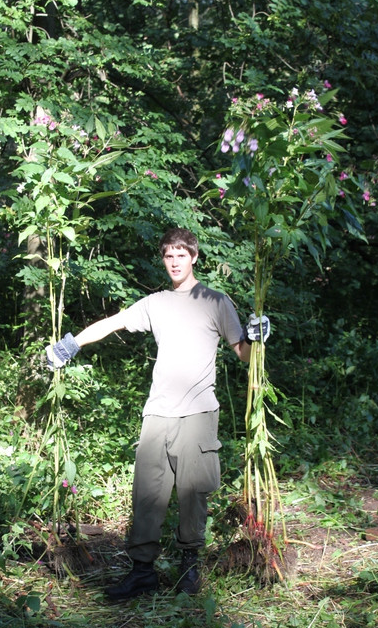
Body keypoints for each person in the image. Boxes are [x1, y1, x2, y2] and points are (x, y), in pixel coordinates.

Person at [46, 228, 270, 600]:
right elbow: (113, 322)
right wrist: (71, 344)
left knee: (193, 493)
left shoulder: (216, 302)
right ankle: (142, 572)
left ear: (194, 257)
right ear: (163, 260)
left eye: (182, 255)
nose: (175, 262)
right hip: (158, 413)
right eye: (169, 256)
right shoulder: (156, 303)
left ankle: (189, 568)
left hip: (198, 412)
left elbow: (243, 354)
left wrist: (255, 337)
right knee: (147, 492)